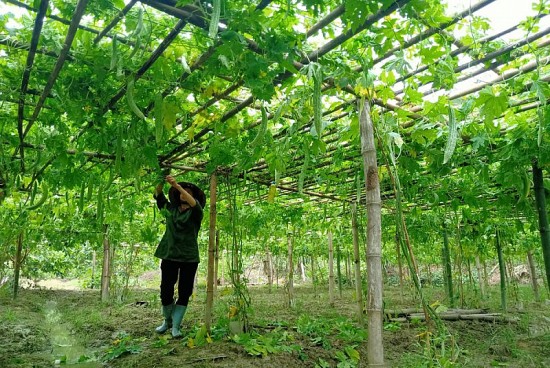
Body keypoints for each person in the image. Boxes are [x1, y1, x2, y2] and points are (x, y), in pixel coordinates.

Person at [153, 175, 206, 338]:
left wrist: (178, 185)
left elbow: (194, 203)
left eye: (189, 192)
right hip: (169, 254)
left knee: (185, 291)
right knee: (165, 290)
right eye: (182, 191)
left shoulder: (196, 212)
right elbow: (158, 194)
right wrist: (161, 178)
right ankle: (167, 321)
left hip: (189, 257)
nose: (184, 193)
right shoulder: (170, 210)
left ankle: (176, 326)